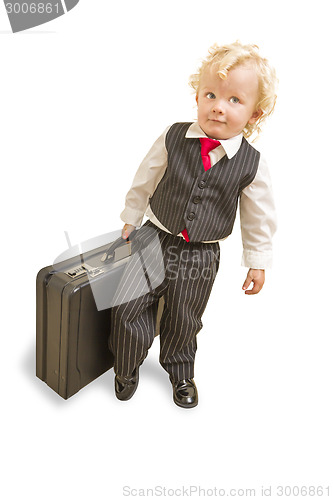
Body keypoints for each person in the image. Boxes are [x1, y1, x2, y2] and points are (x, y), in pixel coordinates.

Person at [109, 41, 277, 408]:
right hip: (153, 238)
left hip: (201, 254)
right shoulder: (173, 136)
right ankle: (125, 365)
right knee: (128, 304)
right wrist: (130, 217)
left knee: (185, 317)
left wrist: (257, 260)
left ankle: (181, 371)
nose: (218, 106)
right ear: (198, 96)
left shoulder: (251, 163)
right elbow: (146, 178)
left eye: (234, 100)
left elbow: (258, 216)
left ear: (254, 115)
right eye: (211, 94)